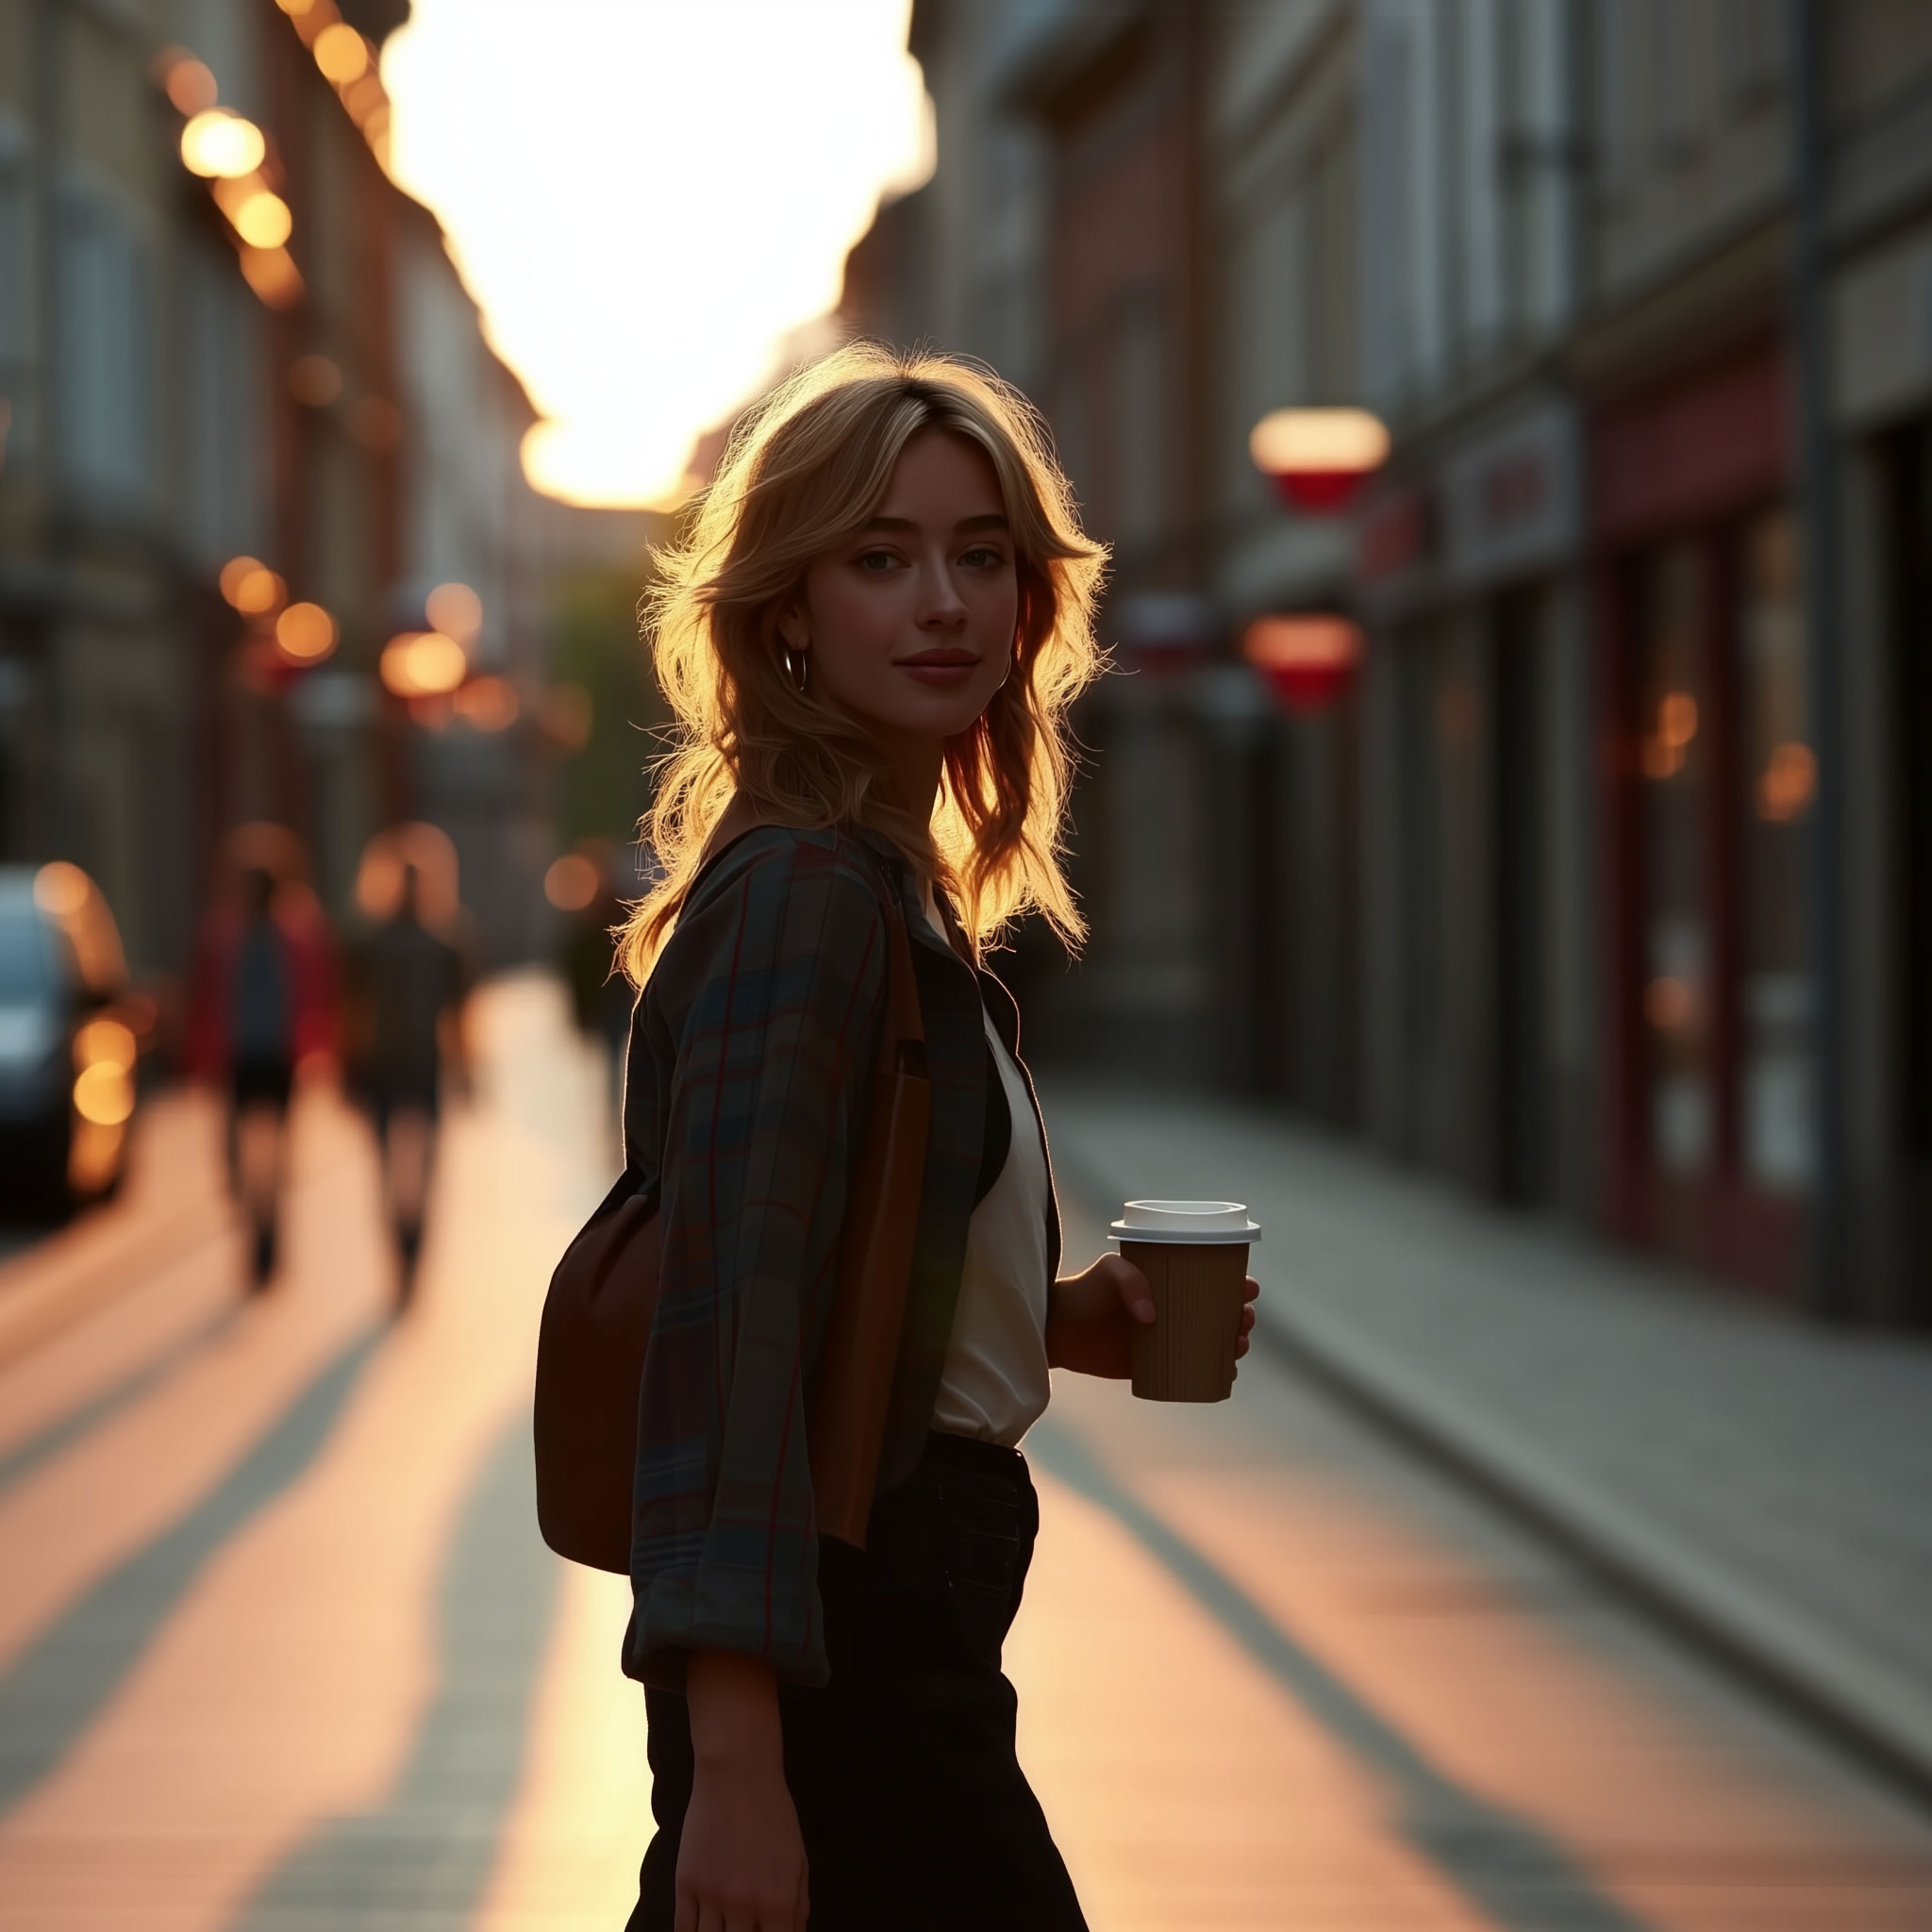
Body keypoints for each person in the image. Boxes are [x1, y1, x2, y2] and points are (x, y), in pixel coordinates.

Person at [612, 344, 1259, 1931]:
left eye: (980, 556)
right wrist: (739, 1765)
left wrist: (1052, 1322)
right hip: (849, 1664)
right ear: (785, 611)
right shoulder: (802, 901)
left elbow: (838, 1287)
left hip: (903, 1642)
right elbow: (727, 1341)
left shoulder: (878, 890)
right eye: (879, 557)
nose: (943, 602)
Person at [353, 861, 468, 1299]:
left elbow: (354, 1012)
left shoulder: (370, 944)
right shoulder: (443, 944)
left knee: (386, 1165)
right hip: (424, 1065)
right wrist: (467, 1071)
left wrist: (350, 1067)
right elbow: (458, 1017)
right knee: (423, 1166)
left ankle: (400, 1250)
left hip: (382, 1065)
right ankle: (414, 1248)